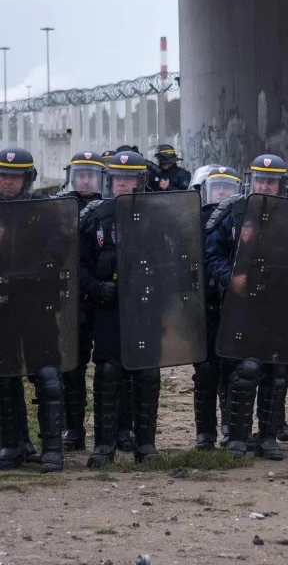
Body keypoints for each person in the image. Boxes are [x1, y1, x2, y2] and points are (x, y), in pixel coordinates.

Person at [204, 154, 288, 460]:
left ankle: (268, 437)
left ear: (281, 184)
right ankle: (237, 437)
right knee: (243, 369)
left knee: (275, 371)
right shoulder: (234, 211)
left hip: (276, 305)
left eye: (271, 181)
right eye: (260, 180)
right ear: (250, 181)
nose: (265, 186)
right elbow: (213, 254)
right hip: (240, 304)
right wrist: (231, 279)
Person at [79, 150, 163, 465]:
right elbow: (78, 264)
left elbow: (176, 262)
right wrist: (97, 288)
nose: (123, 185)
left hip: (146, 308)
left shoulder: (157, 216)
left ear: (140, 181)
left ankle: (146, 445)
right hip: (107, 307)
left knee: (147, 372)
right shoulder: (94, 216)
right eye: (118, 179)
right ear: (110, 181)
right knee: (108, 371)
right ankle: (104, 446)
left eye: (129, 179)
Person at [0, 147, 66, 473]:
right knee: (4, 375)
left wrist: (22, 277)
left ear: (27, 179)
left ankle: (52, 447)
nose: (7, 182)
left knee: (47, 375)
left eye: (14, 177)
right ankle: (13, 444)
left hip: (37, 303)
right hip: (3, 307)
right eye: (2, 176)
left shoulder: (44, 210)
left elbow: (56, 254)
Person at [191, 166, 241, 450]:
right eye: (216, 186)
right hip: (204, 305)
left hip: (234, 306)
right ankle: (205, 432)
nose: (221, 191)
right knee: (206, 370)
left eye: (227, 186)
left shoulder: (240, 216)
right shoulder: (192, 220)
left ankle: (231, 427)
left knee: (234, 368)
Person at [57, 151, 105, 452]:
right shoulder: (60, 208)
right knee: (72, 367)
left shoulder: (112, 207)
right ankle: (73, 429)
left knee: (112, 367)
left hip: (107, 300)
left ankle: (115, 431)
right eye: (81, 174)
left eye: (91, 174)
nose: (85, 180)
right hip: (73, 302)